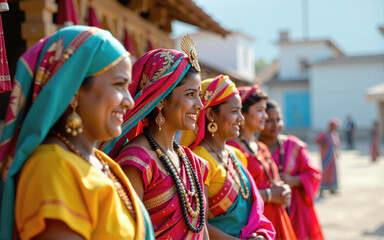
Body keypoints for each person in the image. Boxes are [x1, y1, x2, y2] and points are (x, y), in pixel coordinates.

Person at [0, 26, 155, 239]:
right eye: (119, 85)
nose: (129, 101)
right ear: (73, 91)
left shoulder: (103, 164)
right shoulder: (52, 167)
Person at [99, 35, 209, 239]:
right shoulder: (137, 161)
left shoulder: (192, 162)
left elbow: (202, 231)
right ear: (160, 99)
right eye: (190, 95)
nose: (199, 105)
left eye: (199, 96)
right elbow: (130, 233)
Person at [181, 75, 275, 240]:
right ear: (210, 114)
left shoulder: (236, 154)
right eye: (234, 111)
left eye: (240, 110)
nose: (241, 118)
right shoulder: (198, 160)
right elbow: (200, 226)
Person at [227, 86, 296, 240]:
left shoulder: (261, 146)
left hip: (277, 218)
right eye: (259, 110)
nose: (265, 116)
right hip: (255, 226)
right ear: (242, 113)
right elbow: (233, 196)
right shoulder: (233, 149)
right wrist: (269, 195)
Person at [259, 100, 324, 240]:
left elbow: (314, 174)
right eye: (270, 120)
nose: (275, 125)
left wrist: (293, 181)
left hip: (295, 211)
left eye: (279, 120)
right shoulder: (252, 150)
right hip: (265, 211)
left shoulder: (293, 145)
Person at [314, 118, 341, 195]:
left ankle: (332, 188)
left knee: (332, 172)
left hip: (332, 157)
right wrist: (323, 144)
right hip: (325, 157)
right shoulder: (324, 134)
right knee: (325, 172)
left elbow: (336, 144)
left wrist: (337, 152)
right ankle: (322, 189)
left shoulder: (334, 134)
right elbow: (315, 140)